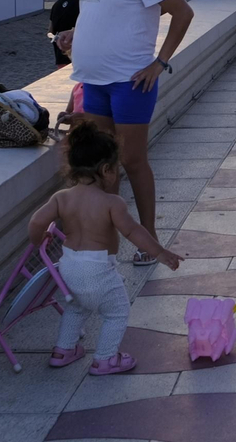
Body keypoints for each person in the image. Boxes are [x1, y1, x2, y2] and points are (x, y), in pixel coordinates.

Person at [53, 0, 194, 264]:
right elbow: (97, 17)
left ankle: (150, 242)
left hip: (131, 83)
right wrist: (73, 34)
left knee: (132, 161)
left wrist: (158, 62)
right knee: (103, 166)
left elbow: (182, 14)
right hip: (94, 83)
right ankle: (105, 244)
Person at [27, 123, 182, 375]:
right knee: (117, 312)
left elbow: (36, 221)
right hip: (98, 270)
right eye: (116, 168)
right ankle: (105, 359)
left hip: (69, 266)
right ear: (106, 170)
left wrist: (38, 240)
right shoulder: (112, 203)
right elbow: (134, 232)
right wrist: (161, 253)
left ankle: (63, 350)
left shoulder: (61, 197)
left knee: (77, 306)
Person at [50, 0, 86, 68]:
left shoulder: (57, 4)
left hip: (60, 58)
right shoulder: (84, 5)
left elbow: (50, 31)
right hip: (77, 58)